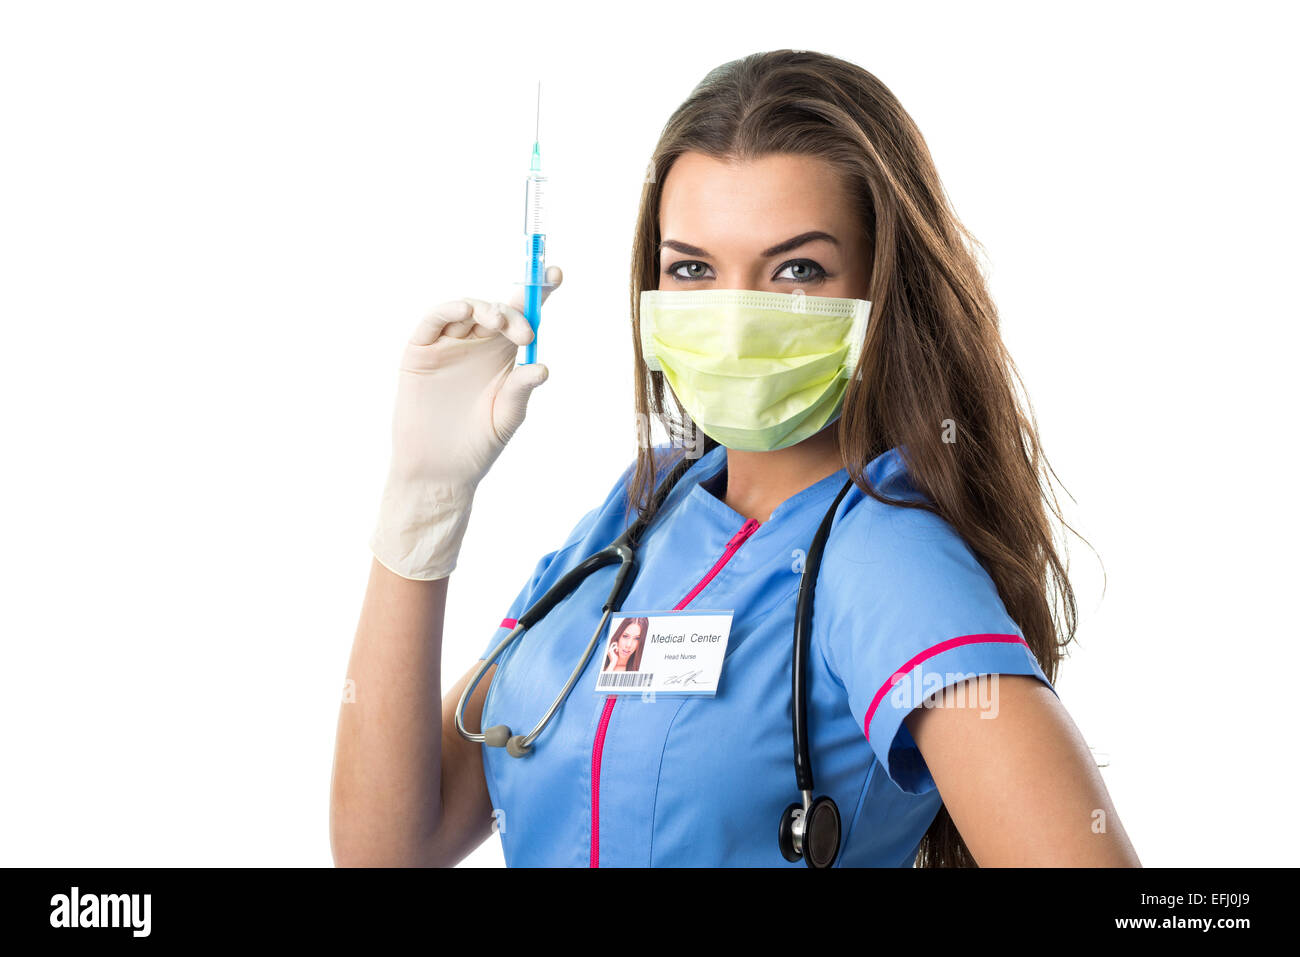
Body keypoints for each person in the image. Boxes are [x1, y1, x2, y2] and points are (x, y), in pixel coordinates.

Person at [330, 50, 1141, 868]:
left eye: (796, 270)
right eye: (692, 268)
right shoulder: (641, 513)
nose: (732, 315)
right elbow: (388, 849)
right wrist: (421, 501)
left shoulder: (887, 560)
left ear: (882, 290)